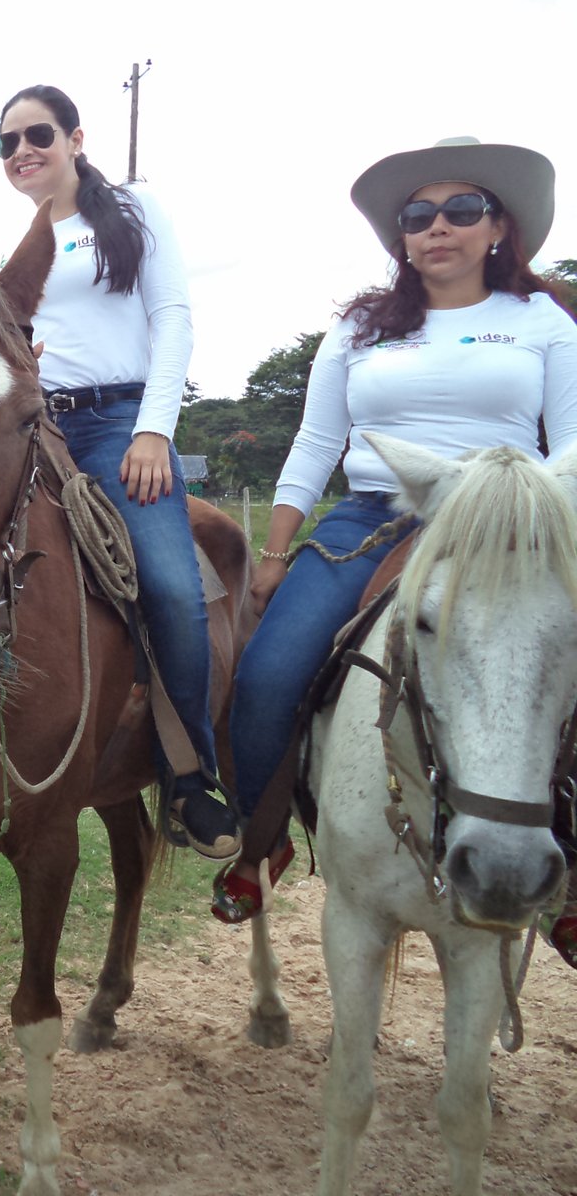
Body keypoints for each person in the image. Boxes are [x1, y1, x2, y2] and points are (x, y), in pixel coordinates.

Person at [220, 136, 577, 944]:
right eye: (419, 216)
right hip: (372, 517)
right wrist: (275, 555)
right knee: (270, 671)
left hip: (506, 528)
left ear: (499, 228)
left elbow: (572, 443)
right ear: (402, 237)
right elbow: (316, 444)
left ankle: (569, 873)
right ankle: (262, 838)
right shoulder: (357, 329)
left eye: (460, 210)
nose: (437, 227)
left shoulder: (541, 320)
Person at [0, 84, 234, 860]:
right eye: (7, 143)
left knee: (169, 583)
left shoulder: (130, 212)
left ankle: (190, 773)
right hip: (40, 424)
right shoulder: (20, 247)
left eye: (37, 134)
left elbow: (172, 319)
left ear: (74, 137)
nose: (22, 151)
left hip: (120, 425)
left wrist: (154, 430)